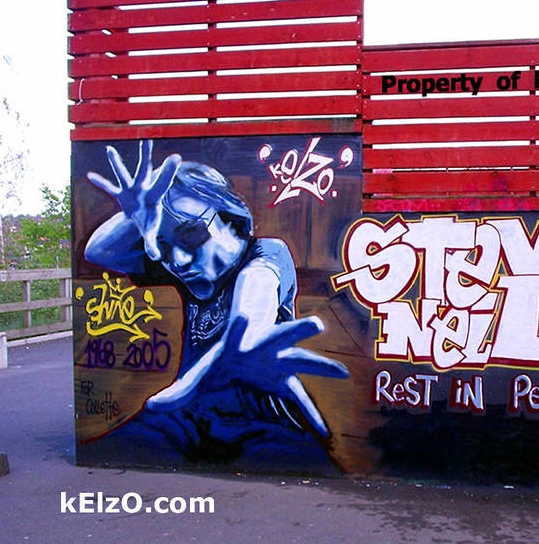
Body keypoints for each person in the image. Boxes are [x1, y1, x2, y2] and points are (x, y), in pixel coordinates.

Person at [84, 139, 348, 465]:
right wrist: (135, 219)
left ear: (228, 217)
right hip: (190, 419)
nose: (178, 260)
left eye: (191, 234)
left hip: (265, 425)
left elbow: (248, 322)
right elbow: (98, 252)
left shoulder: (266, 254)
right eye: (163, 248)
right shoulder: (187, 268)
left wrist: (188, 385)